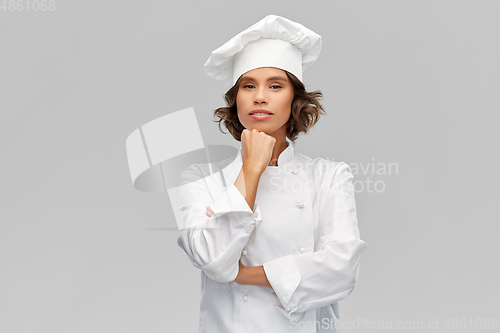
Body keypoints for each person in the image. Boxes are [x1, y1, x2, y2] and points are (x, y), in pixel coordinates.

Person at [177, 15, 367, 333]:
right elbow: (211, 257)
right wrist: (251, 169)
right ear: (235, 99)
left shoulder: (330, 176)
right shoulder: (201, 178)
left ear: (294, 98)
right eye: (248, 86)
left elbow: (342, 269)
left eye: (275, 86)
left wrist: (242, 274)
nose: (260, 97)